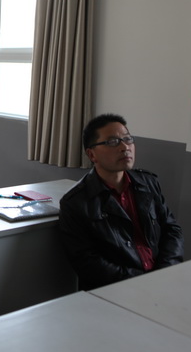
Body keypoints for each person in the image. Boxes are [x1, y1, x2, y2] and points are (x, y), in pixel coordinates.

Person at [59, 113, 184, 290]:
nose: (125, 147)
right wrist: (143, 281)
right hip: (116, 290)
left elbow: (172, 230)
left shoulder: (148, 183)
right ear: (92, 154)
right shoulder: (76, 202)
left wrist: (165, 271)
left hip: (162, 280)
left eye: (128, 139)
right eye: (112, 142)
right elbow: (87, 263)